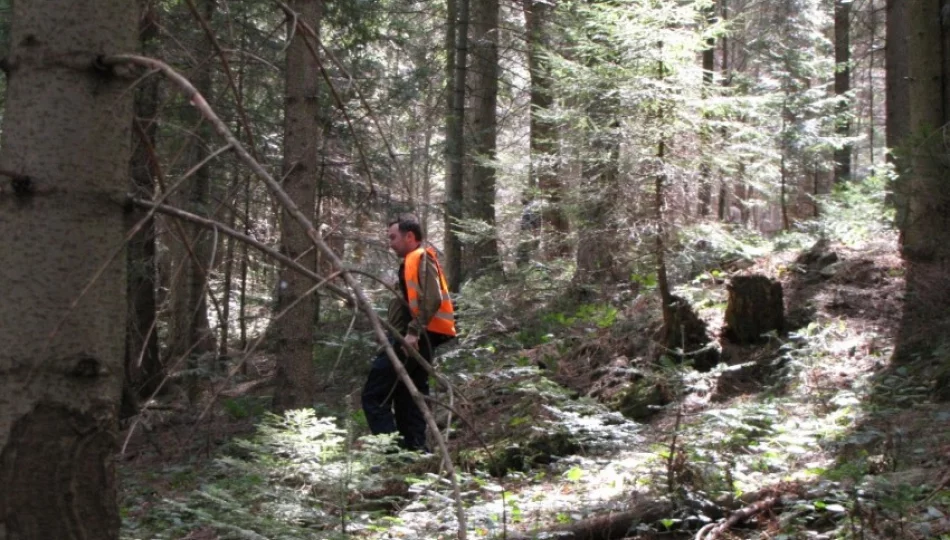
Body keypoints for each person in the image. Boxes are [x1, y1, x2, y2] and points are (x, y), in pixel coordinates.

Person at [361, 217, 456, 451]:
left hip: (414, 338)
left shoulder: (419, 258)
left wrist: (412, 332)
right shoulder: (413, 262)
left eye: (393, 237)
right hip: (422, 336)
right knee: (408, 399)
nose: (390, 243)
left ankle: (392, 455)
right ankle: (414, 455)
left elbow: (432, 298)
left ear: (409, 236)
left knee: (373, 396)